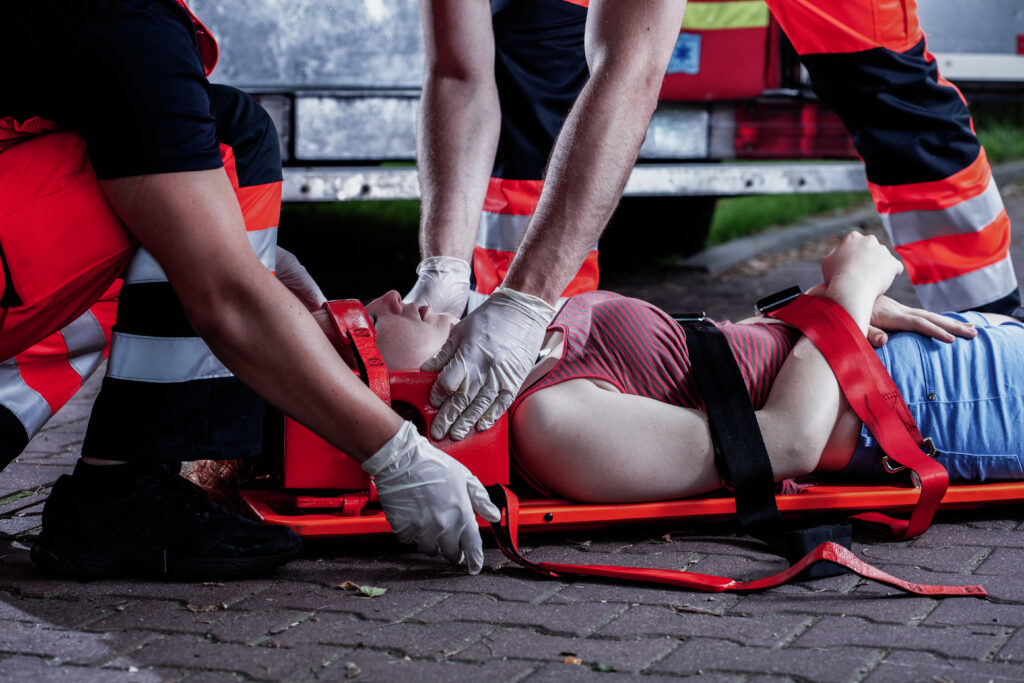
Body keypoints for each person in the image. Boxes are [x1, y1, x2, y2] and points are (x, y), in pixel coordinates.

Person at [0, 0, 498, 580]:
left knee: (200, 174)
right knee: (223, 151)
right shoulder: (127, 19)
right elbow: (227, 297)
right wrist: (395, 453)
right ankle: (121, 496)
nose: (395, 299)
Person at [405, 0, 1019, 444]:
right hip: (866, 380)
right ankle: (526, 367)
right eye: (364, 331)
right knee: (530, 88)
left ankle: (996, 318)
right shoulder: (570, 436)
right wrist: (444, 268)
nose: (381, 300)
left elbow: (632, 66)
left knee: (891, 95)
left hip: (938, 384)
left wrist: (523, 304)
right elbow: (459, 76)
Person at [374, 232, 1019, 503]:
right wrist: (848, 291)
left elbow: (718, 362)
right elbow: (782, 445)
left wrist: (836, 308)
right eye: (365, 328)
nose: (388, 300)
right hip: (937, 404)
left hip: (917, 357)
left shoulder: (518, 356)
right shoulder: (551, 425)